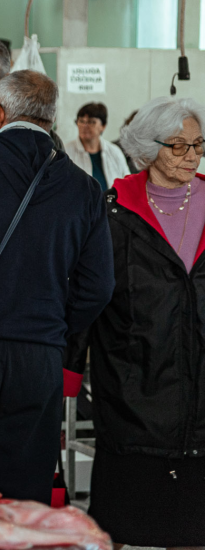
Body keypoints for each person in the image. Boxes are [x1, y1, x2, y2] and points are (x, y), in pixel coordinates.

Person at [0, 70, 114, 503]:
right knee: (25, 491)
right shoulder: (85, 189)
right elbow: (99, 286)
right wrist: (52, 324)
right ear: (51, 120)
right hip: (40, 357)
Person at [86, 97, 205, 549]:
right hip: (133, 391)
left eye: (198, 144)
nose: (191, 155)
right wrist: (70, 374)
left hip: (200, 399)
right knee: (124, 523)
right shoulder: (114, 212)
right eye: (178, 146)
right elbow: (89, 296)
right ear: (147, 148)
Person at [65, 102, 130, 190]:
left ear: (103, 126)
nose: (85, 126)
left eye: (91, 122)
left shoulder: (115, 152)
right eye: (81, 121)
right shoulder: (66, 152)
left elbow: (127, 184)